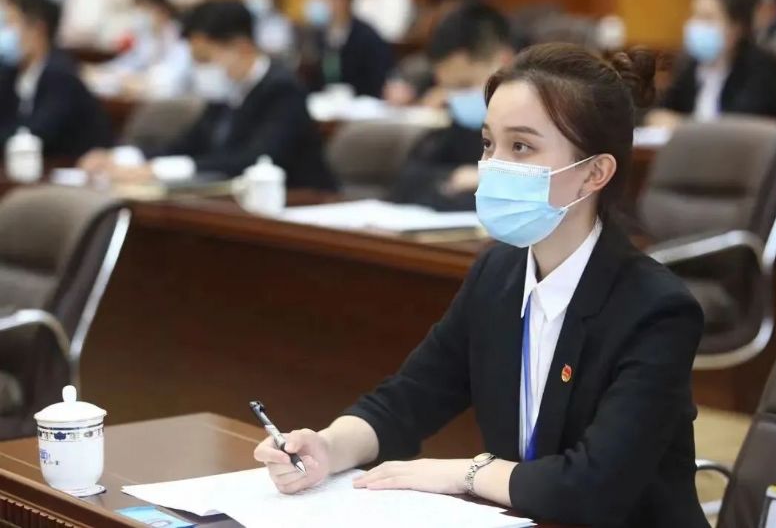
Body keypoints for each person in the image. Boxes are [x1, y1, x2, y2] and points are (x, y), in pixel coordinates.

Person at [254, 42, 710, 527]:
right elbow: (409, 397)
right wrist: (328, 446)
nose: (493, 165)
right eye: (489, 144)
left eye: (522, 147)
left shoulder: (656, 309)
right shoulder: (498, 273)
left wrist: (467, 473)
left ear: (593, 173)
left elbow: (593, 487)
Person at [79, 0, 336, 191]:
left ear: (241, 48)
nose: (200, 70)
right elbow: (187, 145)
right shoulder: (226, 89)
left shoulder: (283, 90)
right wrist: (121, 157)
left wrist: (157, 170)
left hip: (299, 201)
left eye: (205, 59)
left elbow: (254, 160)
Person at [389, 2, 514, 211]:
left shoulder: (542, 126)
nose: (455, 98)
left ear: (504, 61)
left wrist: (485, 179)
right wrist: (454, 177)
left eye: (465, 85)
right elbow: (406, 185)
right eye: (449, 88)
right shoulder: (460, 126)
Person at [0, 0, 112, 160]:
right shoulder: (11, 73)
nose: (4, 33)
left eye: (10, 24)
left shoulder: (62, 75)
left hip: (74, 165)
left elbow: (37, 133)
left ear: (37, 29)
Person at [648, 0, 776, 127]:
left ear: (736, 27)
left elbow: (741, 125)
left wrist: (683, 125)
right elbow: (660, 113)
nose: (696, 25)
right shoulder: (689, 65)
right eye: (695, 15)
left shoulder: (759, 68)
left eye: (707, 18)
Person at [83, 0, 193, 100]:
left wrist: (142, 80)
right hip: (142, 90)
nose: (140, 16)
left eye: (144, 10)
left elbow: (173, 74)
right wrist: (102, 70)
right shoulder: (146, 35)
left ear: (161, 11)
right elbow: (130, 61)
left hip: (169, 96)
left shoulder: (179, 36)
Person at [301, 0, 393, 98]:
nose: (332, 3)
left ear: (348, 1)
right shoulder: (318, 35)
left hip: (360, 100)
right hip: (325, 99)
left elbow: (378, 77)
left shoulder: (367, 36)